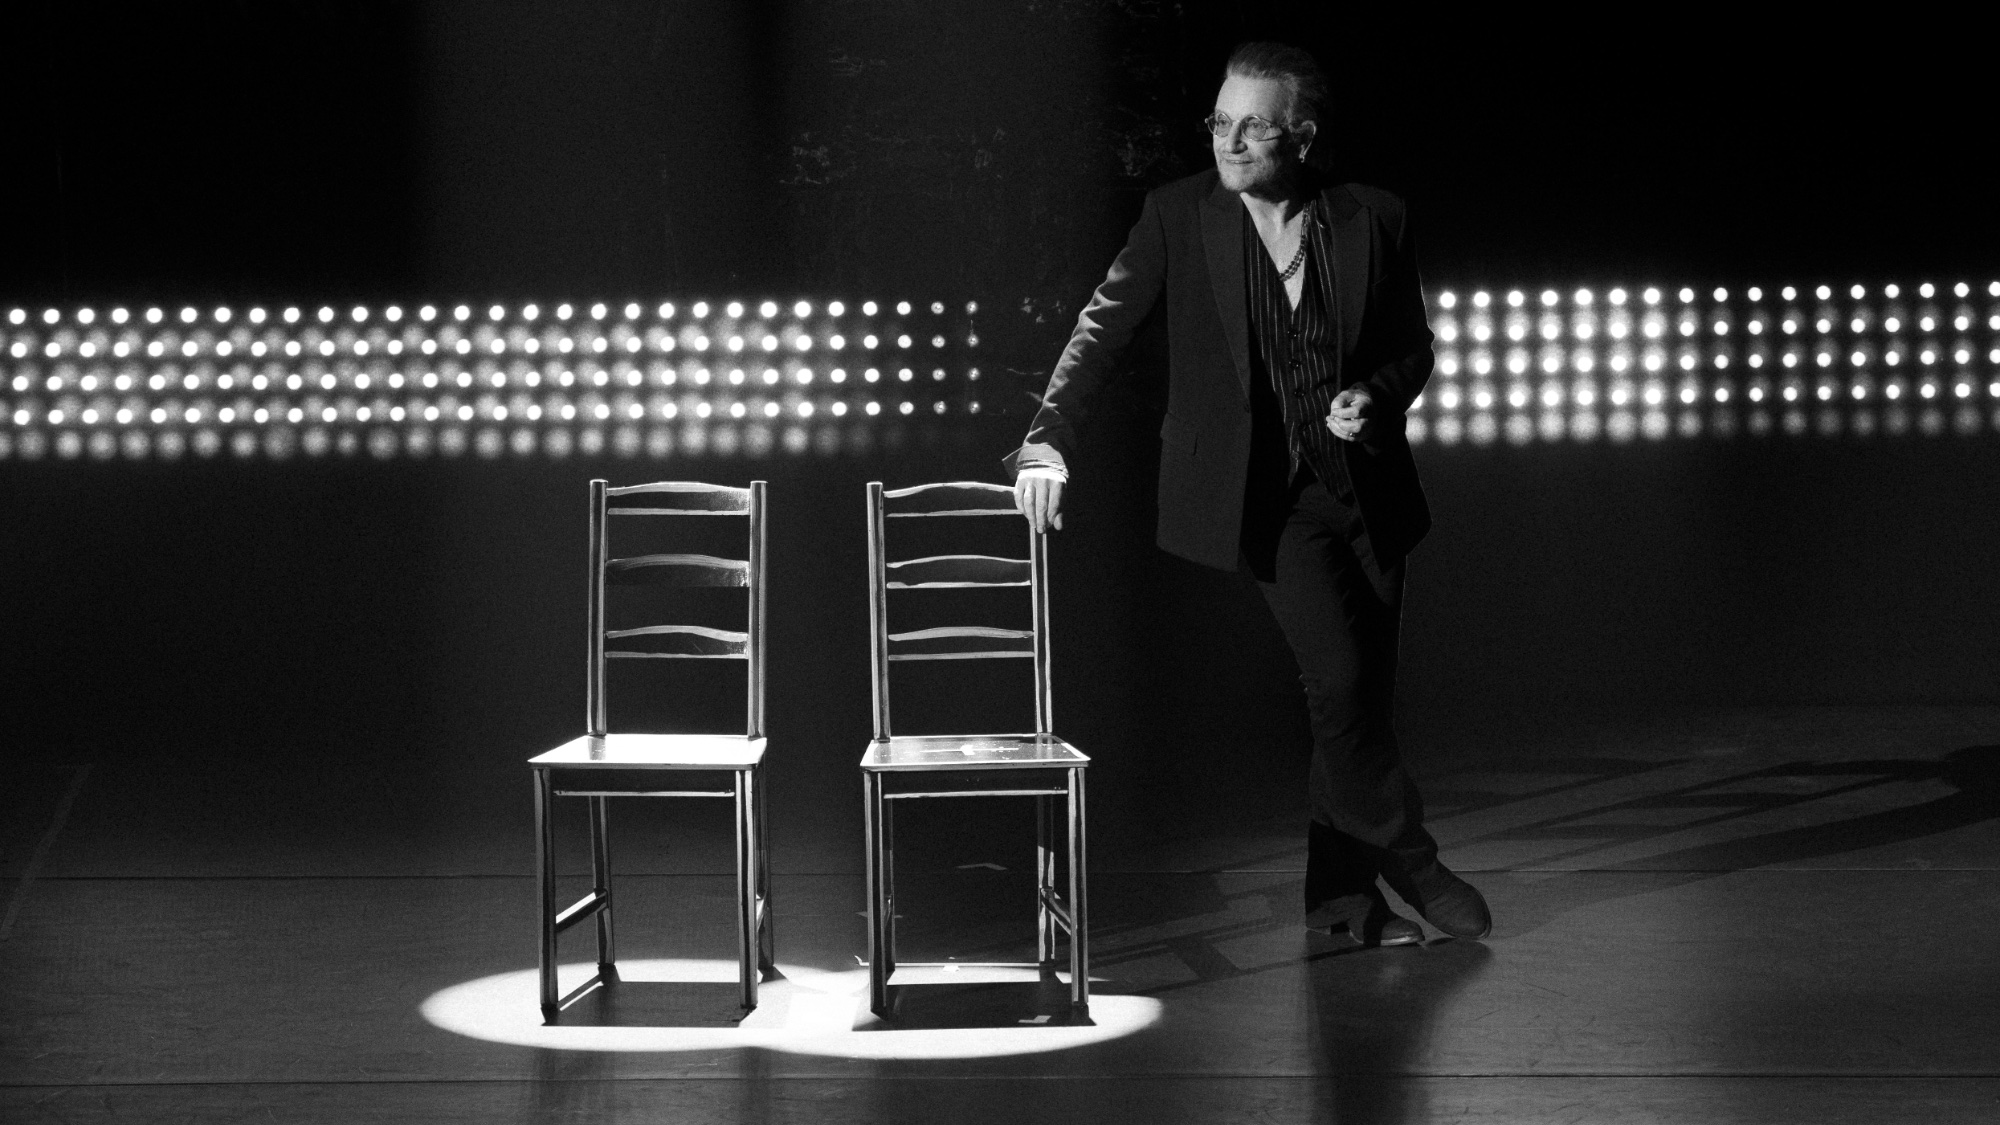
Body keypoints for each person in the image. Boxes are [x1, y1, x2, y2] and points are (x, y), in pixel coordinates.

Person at [1006, 41, 1490, 947]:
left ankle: (1340, 908)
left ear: (1301, 137)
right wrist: (1046, 438)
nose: (1227, 142)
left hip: (1370, 490)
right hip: (1269, 500)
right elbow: (1102, 327)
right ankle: (1415, 861)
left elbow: (1412, 346)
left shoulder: (1373, 216)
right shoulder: (1179, 215)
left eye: (1251, 126)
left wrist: (1374, 395)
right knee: (1337, 681)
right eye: (1219, 122)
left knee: (1358, 706)